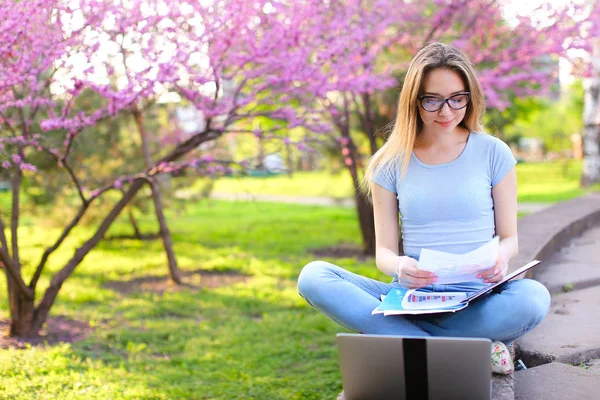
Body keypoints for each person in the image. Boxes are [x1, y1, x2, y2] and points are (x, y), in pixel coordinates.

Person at [297, 42, 551, 375]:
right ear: (413, 101)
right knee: (313, 277)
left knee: (533, 298)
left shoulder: (494, 153)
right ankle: (466, 351)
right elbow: (384, 253)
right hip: (413, 298)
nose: (445, 112)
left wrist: (502, 258)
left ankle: (413, 345)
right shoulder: (389, 163)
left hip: (478, 298)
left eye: (456, 99)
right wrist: (401, 265)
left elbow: (509, 238)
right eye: (432, 100)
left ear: (470, 97)